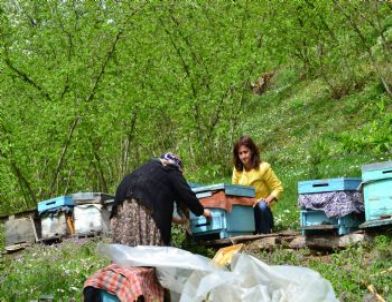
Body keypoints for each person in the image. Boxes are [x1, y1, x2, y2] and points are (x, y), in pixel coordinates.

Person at [110, 152, 211, 246]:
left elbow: (160, 206)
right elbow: (187, 195)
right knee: (150, 250)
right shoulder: (171, 169)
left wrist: (180, 220)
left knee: (127, 243)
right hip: (144, 203)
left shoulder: (148, 169)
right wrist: (203, 212)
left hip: (121, 201)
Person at [232, 136, 283, 234]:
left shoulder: (263, 168)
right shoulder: (237, 170)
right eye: (240, 153)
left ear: (252, 151)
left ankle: (265, 234)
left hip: (262, 210)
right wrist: (252, 201)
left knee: (262, 206)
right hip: (246, 209)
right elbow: (234, 192)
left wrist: (267, 200)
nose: (243, 156)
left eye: (245, 152)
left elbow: (278, 188)